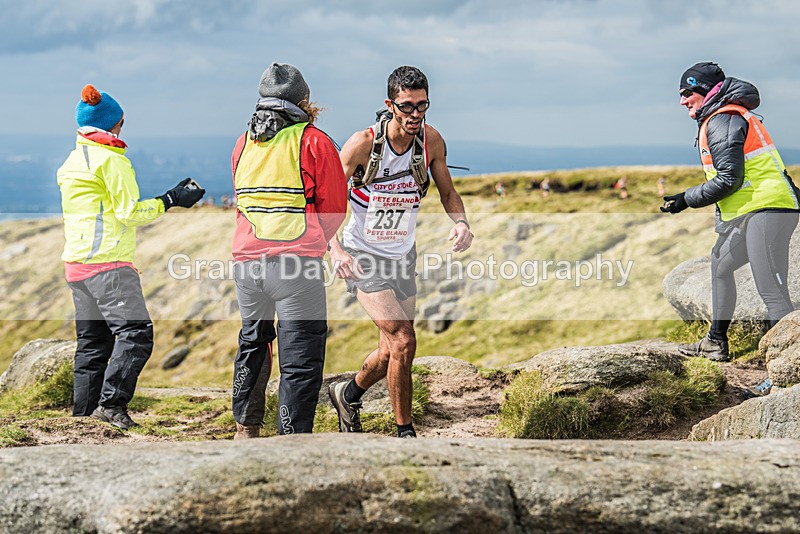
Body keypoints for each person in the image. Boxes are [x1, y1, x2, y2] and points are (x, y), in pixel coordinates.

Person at [327, 66, 473, 438]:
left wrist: (461, 223)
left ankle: (348, 393)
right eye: (407, 106)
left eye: (422, 105)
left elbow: (447, 192)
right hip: (363, 256)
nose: (415, 115)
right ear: (390, 104)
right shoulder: (362, 144)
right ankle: (404, 432)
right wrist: (335, 249)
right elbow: (324, 201)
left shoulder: (432, 141)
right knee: (405, 340)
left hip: (403, 256)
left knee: (392, 350)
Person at [57, 84, 205, 429]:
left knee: (93, 344)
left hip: (77, 266)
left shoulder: (73, 160)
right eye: (122, 121)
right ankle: (111, 405)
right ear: (114, 124)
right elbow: (129, 213)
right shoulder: (112, 161)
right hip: (109, 265)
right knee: (137, 334)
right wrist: (171, 199)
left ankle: (85, 415)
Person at [230, 63, 347, 439]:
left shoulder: (243, 142)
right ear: (303, 101)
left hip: (248, 265)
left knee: (253, 342)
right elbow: (334, 209)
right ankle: (291, 439)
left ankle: (245, 428)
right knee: (299, 358)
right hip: (296, 266)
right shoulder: (314, 141)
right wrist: (312, 239)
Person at [661, 62, 799, 362]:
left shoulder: (723, 119)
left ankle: (785, 373)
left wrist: (688, 198)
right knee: (720, 264)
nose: (682, 100)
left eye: (687, 92)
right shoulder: (718, 117)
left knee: (772, 293)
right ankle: (715, 342)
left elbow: (728, 178)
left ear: (705, 91)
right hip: (753, 211)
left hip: (769, 209)